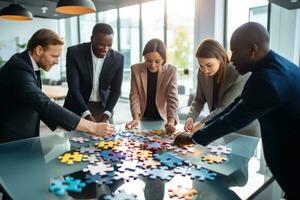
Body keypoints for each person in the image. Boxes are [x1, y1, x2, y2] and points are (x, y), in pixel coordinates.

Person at [174, 22, 300, 198]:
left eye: (235, 51)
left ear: (253, 50)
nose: (231, 58)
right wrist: (200, 129)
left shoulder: (268, 80)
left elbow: (233, 119)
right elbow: (238, 103)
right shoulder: (270, 68)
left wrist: (193, 138)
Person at [0, 29, 115, 144]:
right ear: (39, 50)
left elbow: (36, 104)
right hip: (10, 140)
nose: (57, 62)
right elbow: (44, 104)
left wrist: (69, 127)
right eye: (54, 56)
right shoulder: (18, 69)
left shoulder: (29, 65)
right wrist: (92, 127)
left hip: (23, 138)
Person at [184, 39, 260, 137]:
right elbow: (199, 100)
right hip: (222, 127)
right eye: (201, 66)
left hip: (244, 130)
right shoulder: (202, 72)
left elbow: (224, 108)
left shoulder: (238, 73)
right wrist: (191, 117)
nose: (205, 70)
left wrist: (201, 124)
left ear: (220, 58)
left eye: (209, 65)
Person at [63, 23, 124, 123]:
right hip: (79, 106)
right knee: (76, 138)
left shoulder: (118, 59)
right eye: (101, 45)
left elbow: (116, 90)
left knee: (107, 138)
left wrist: (107, 113)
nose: (105, 49)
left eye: (109, 45)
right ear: (92, 39)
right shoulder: (74, 53)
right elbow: (74, 89)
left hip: (103, 107)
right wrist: (87, 115)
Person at [125, 38, 178, 134]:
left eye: (157, 61)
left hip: (162, 118)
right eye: (148, 60)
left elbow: (172, 98)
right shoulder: (135, 69)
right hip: (142, 117)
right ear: (144, 57)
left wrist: (171, 122)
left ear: (163, 60)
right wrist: (136, 118)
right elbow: (134, 95)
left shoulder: (171, 71)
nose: (152, 65)